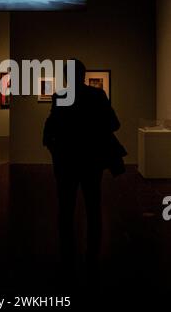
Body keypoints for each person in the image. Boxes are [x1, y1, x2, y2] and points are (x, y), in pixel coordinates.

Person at [43, 59, 125, 274]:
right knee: (93, 206)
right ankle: (93, 255)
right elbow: (114, 124)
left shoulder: (60, 96)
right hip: (91, 160)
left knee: (65, 208)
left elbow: (51, 130)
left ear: (66, 76)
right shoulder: (97, 95)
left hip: (66, 161)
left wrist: (57, 150)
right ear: (83, 74)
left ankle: (66, 257)